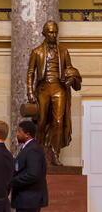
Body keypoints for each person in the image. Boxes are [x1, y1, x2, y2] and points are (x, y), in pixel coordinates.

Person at [27, 20, 81, 166]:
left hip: (59, 88)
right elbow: (31, 73)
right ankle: (37, 155)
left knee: (58, 122)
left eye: (55, 32)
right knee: (42, 122)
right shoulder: (37, 51)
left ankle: (55, 154)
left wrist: (70, 80)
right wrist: (30, 92)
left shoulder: (63, 51)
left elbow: (69, 69)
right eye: (50, 32)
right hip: (44, 89)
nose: (53, 35)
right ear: (44, 33)